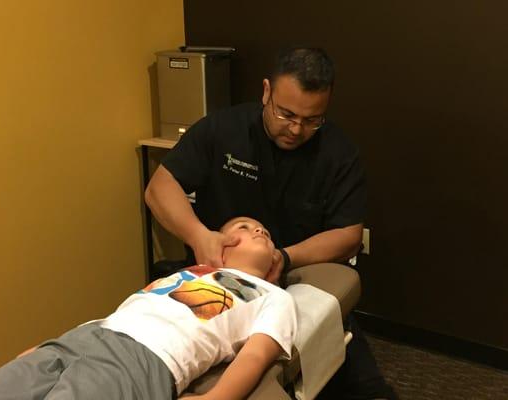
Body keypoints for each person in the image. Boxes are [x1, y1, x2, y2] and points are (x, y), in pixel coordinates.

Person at [145, 47, 396, 399]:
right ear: (266, 92)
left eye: (312, 120)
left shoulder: (338, 153)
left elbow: (349, 235)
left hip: (295, 277)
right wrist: (199, 235)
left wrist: (285, 257)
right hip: (220, 282)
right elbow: (159, 188)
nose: (296, 129)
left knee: (369, 390)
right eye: (286, 114)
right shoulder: (223, 129)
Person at [0, 217, 296, 400]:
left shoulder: (269, 294)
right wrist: (48, 345)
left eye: (266, 233)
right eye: (244, 226)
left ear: (273, 268)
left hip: (141, 360)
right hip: (85, 338)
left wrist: (216, 398)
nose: (258, 231)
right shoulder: (194, 271)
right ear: (219, 243)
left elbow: (256, 354)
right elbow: (132, 313)